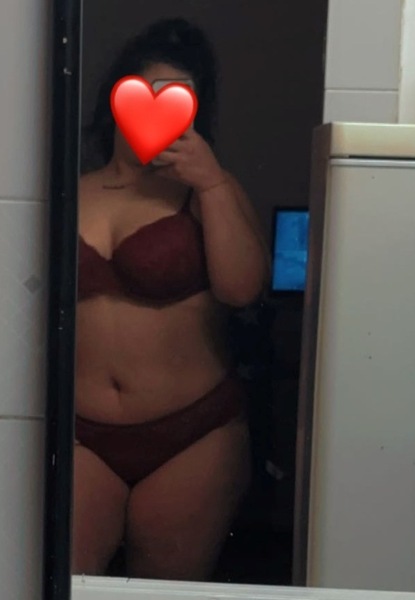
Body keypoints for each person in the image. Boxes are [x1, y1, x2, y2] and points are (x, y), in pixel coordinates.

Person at [72, 17, 271, 581]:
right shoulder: (66, 191)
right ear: (119, 96)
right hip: (80, 430)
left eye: (178, 97)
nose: (159, 106)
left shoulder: (209, 191)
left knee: (165, 589)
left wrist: (210, 182)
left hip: (193, 433)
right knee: (69, 581)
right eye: (149, 90)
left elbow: (241, 289)